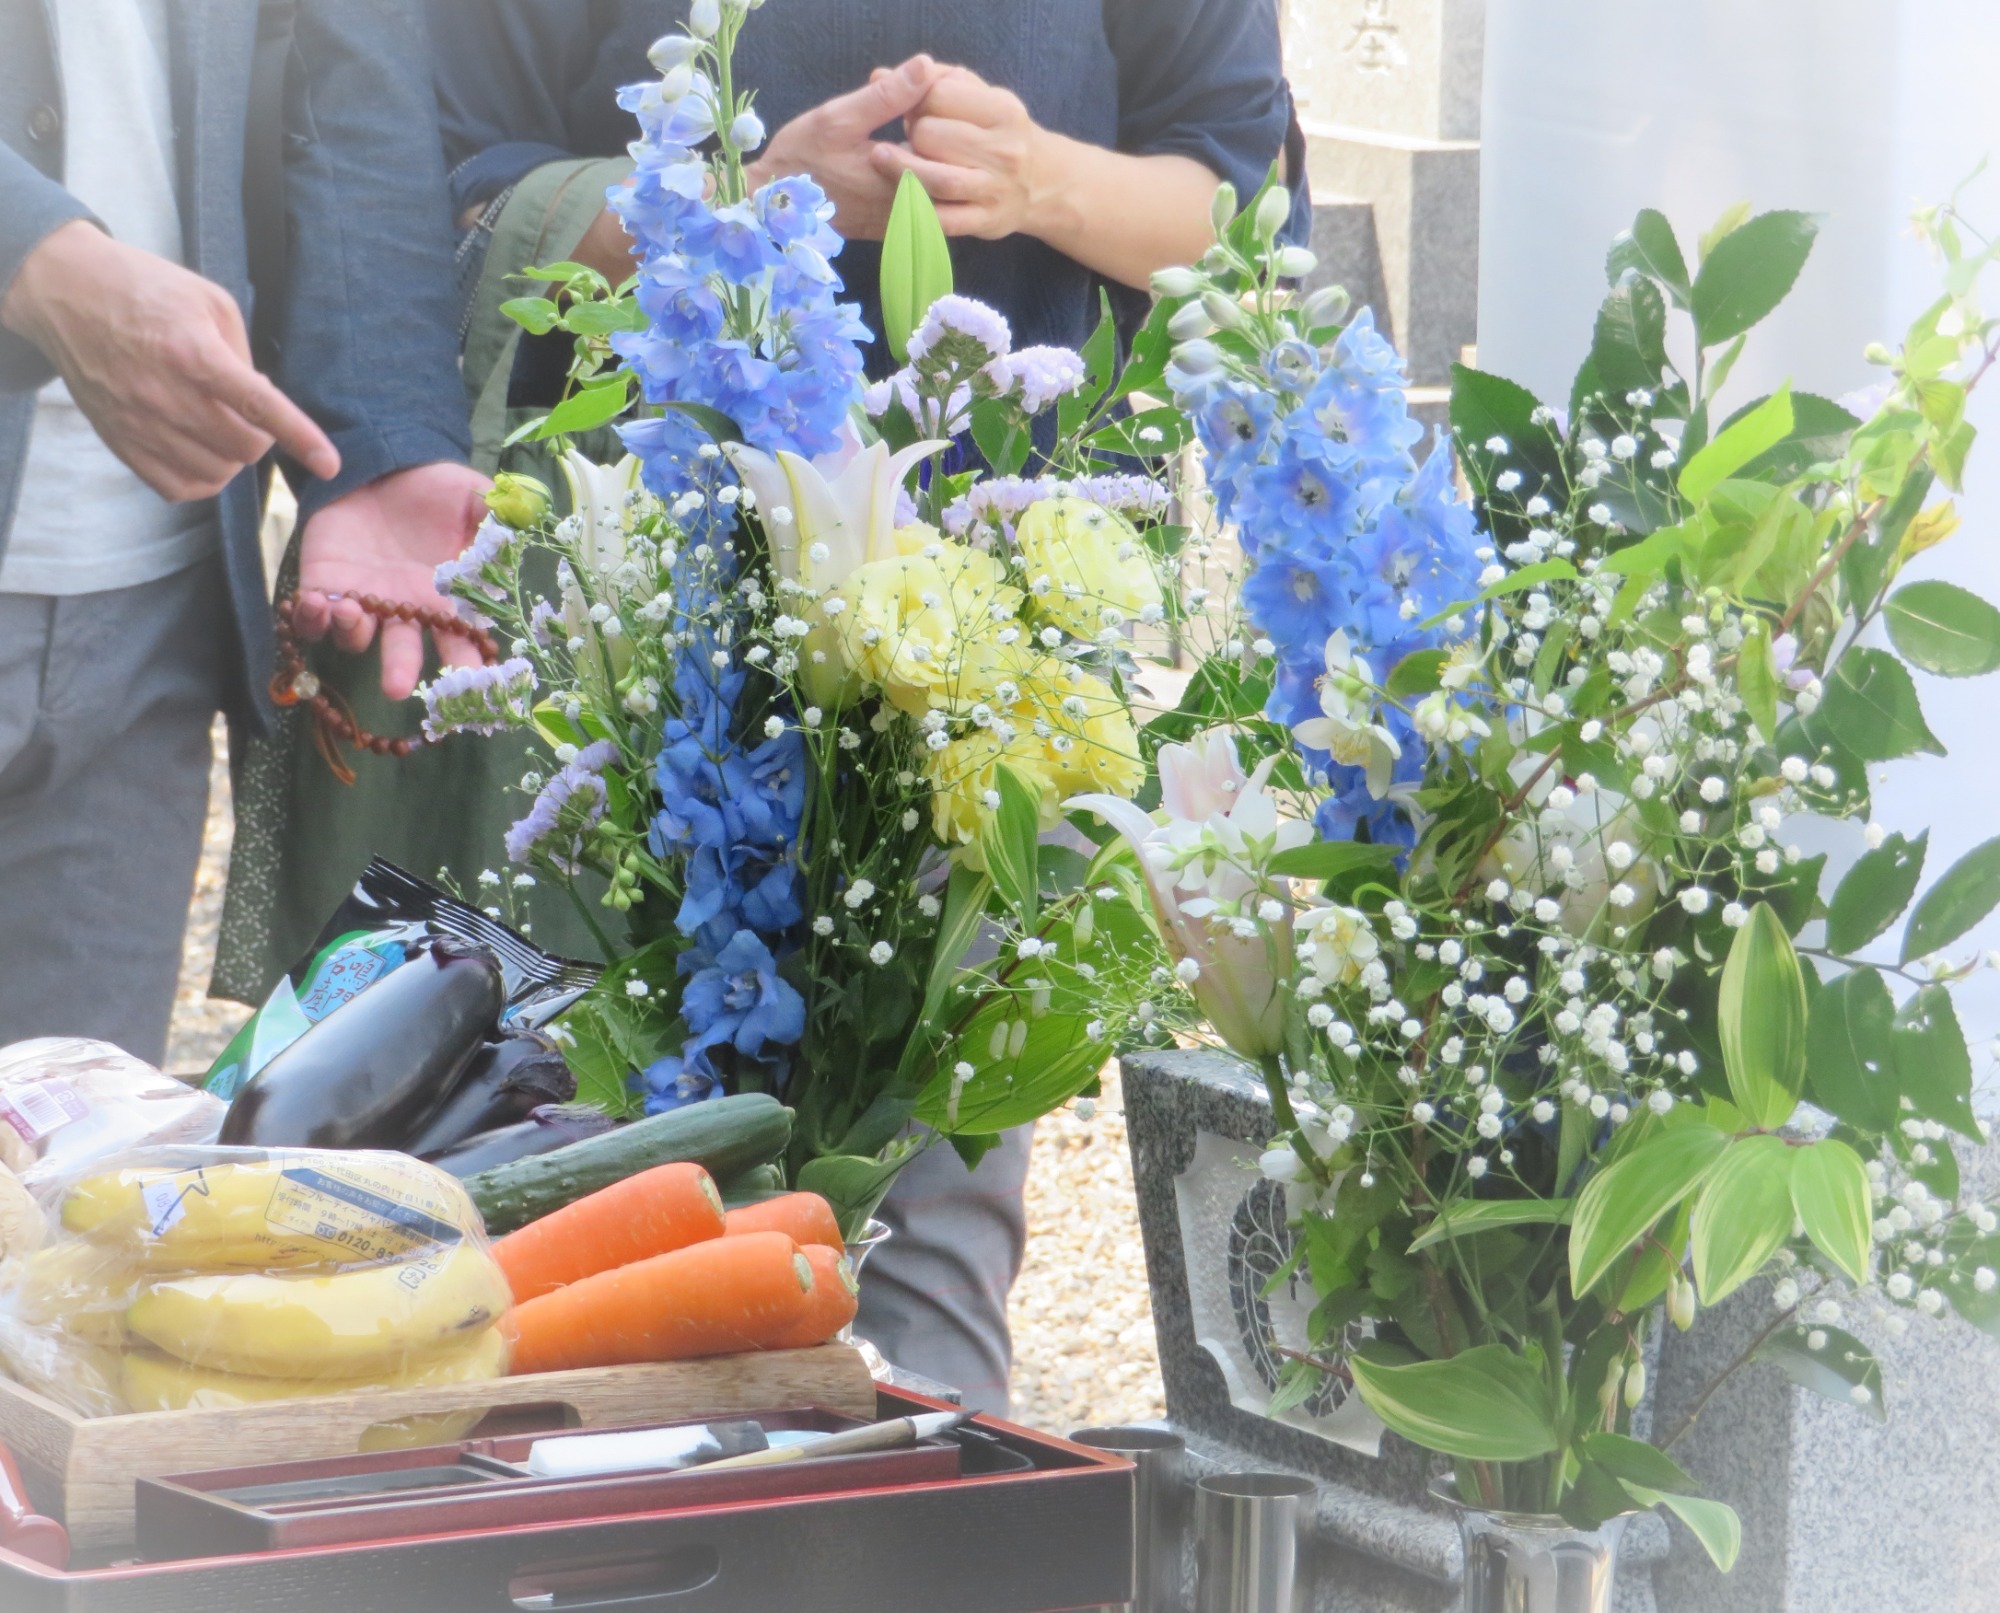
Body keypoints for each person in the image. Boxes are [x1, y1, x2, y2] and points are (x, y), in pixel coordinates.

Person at [220, 0, 1301, 1412]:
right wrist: (729, 206)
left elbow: (1245, 228)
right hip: (614, 693)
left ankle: (907, 1541)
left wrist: (1044, 181)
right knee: (526, 1251)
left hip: (974, 670)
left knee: (920, 1258)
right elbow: (429, 187)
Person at [0, 0, 489, 1069]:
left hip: (148, 607)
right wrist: (29, 251)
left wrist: (380, 432)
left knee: (57, 1204)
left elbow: (341, 63)